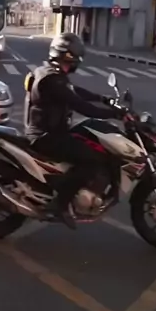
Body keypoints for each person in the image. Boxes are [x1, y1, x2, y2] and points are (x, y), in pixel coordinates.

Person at [24, 32, 127, 229]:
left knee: (89, 140)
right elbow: (80, 105)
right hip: (46, 137)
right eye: (75, 57)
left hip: (52, 132)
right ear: (67, 56)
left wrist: (103, 99)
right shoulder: (52, 80)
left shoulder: (50, 73)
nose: (77, 61)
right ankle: (61, 204)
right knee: (92, 160)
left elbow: (74, 91)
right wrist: (114, 114)